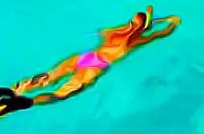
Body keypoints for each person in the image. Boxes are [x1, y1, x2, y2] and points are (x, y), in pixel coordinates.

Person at [11, 6, 181, 105]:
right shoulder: (135, 41)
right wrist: (171, 22)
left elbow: (102, 32)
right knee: (61, 94)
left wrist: (148, 21)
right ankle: (25, 103)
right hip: (96, 66)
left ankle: (15, 89)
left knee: (48, 77)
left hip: (87, 57)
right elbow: (163, 33)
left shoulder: (116, 31)